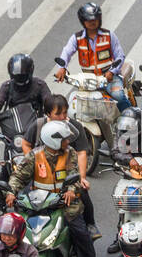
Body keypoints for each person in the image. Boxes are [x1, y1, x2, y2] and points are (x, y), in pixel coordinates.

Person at [7, 120, 102, 257]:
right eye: (64, 139)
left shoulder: (70, 153)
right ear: (54, 141)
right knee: (17, 233)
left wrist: (72, 189)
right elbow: (18, 177)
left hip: (64, 203)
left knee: (80, 231)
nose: (67, 142)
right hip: (38, 204)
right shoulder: (34, 156)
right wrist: (10, 192)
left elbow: (76, 175)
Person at [21, 94, 100, 240]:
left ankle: (91, 224)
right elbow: (25, 144)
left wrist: (81, 177)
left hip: (66, 172)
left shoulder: (74, 127)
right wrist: (35, 163)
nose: (63, 117)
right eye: (58, 113)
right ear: (48, 113)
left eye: (65, 112)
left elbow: (82, 152)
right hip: (43, 175)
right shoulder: (38, 125)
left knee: (81, 192)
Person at [55, 2, 133, 112]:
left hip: (109, 78)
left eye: (95, 19)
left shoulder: (109, 36)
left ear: (99, 19)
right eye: (89, 20)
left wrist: (112, 71)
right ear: (83, 21)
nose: (92, 22)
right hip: (88, 81)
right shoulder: (76, 38)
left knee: (118, 96)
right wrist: (61, 68)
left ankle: (130, 116)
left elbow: (120, 56)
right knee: (77, 106)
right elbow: (66, 52)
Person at [0, 54, 53, 139]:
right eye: (18, 77)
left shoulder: (39, 85)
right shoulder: (7, 86)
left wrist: (54, 114)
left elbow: (49, 101)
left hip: (37, 129)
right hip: (14, 129)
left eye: (22, 76)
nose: (20, 79)